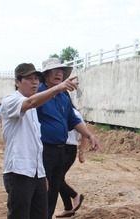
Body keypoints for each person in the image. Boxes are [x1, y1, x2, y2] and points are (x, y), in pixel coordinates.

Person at [0, 62, 79, 219]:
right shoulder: (11, 101)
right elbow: (30, 103)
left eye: (36, 78)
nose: (35, 82)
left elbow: (36, 143)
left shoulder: (34, 108)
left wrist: (41, 174)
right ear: (17, 82)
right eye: (29, 79)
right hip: (18, 171)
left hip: (36, 173)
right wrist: (58, 87)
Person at [37, 58, 101, 219]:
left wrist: (89, 135)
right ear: (45, 75)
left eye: (61, 72)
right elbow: (32, 104)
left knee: (53, 190)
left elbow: (74, 120)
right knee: (40, 190)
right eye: (54, 71)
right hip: (44, 150)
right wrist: (58, 88)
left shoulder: (63, 97)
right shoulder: (39, 94)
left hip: (61, 151)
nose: (59, 73)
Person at [55, 91, 88, 218]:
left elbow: (85, 133)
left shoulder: (74, 114)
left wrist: (81, 152)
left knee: (56, 178)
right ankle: (68, 208)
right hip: (61, 148)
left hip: (68, 148)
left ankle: (75, 196)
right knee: (58, 178)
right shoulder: (58, 111)